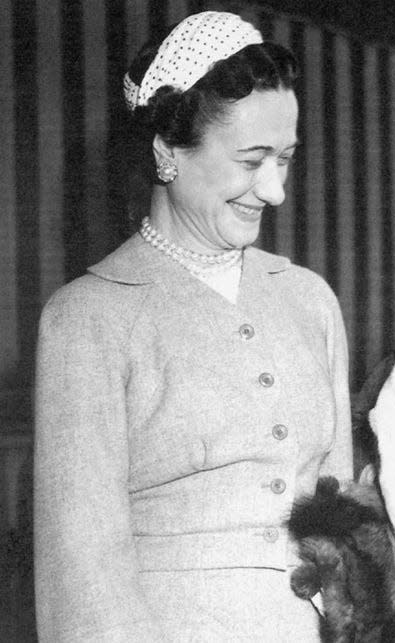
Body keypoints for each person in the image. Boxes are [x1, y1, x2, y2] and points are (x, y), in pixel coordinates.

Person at [33, 11, 352, 641]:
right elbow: (83, 583)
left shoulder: (309, 301)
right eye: (251, 159)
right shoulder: (87, 320)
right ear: (167, 152)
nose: (275, 190)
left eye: (284, 160)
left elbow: (343, 530)